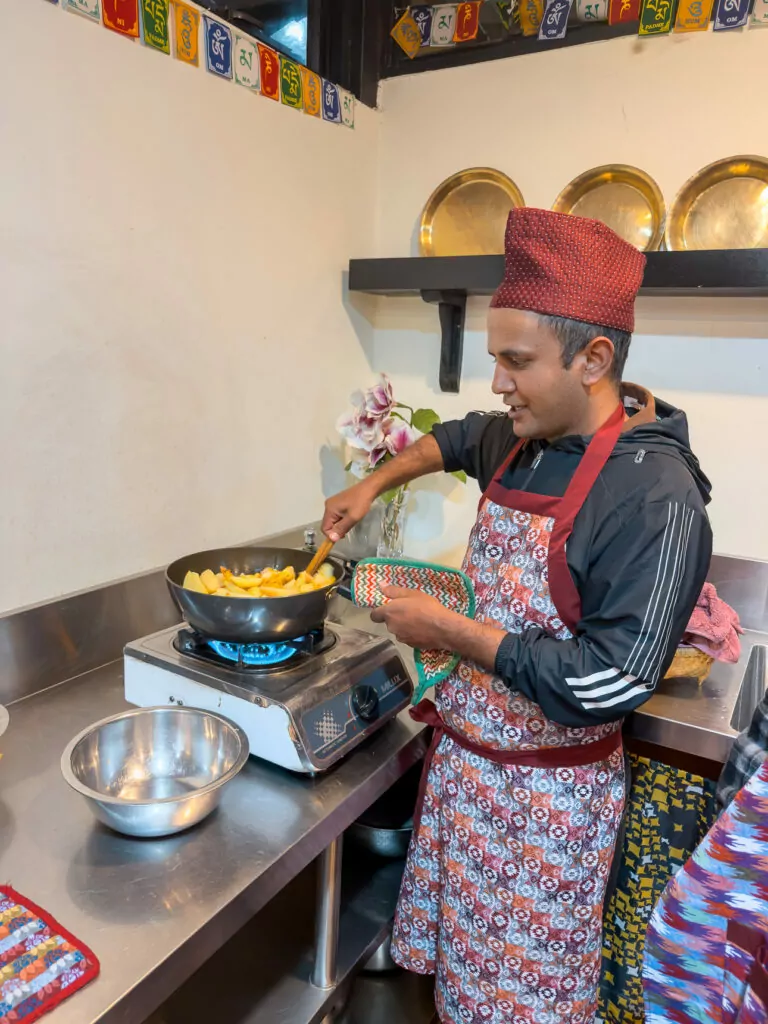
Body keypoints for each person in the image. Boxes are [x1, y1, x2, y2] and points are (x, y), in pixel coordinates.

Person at [322, 208, 713, 1024]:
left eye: (516, 361)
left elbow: (612, 682)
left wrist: (453, 633)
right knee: (456, 995)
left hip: (546, 818)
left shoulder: (655, 496)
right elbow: (454, 438)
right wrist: (373, 483)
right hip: (465, 779)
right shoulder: (525, 438)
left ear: (593, 359)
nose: (497, 383)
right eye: (494, 357)